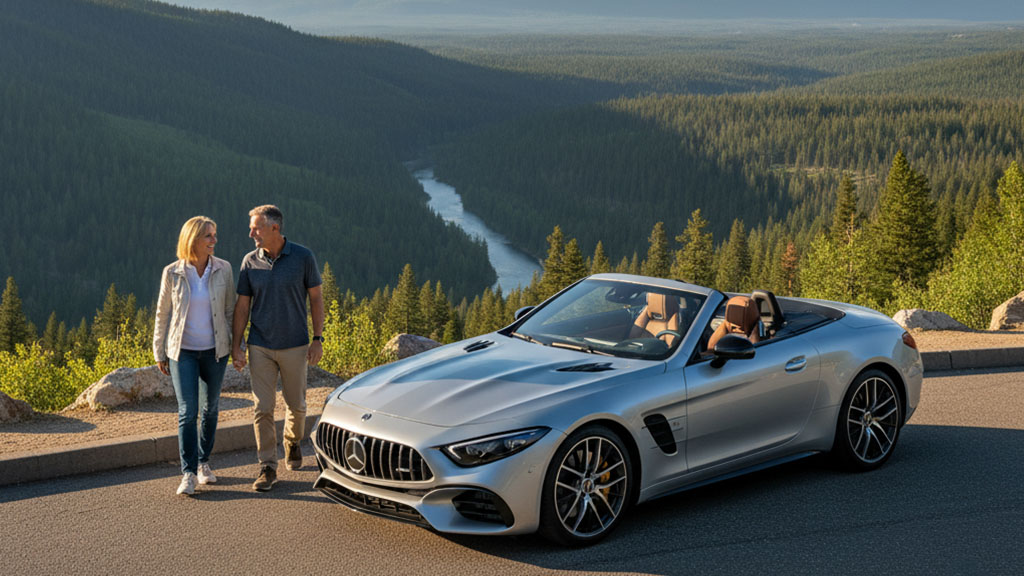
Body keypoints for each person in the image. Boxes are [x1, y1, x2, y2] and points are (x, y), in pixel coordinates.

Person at [232, 204, 324, 492]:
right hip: (260, 345)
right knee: (263, 408)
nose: (251, 233)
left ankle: (293, 441)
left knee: (296, 406)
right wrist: (237, 345)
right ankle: (267, 466)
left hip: (296, 345)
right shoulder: (249, 262)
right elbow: (242, 306)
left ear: (275, 228)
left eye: (256, 228)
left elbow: (316, 299)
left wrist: (317, 338)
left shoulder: (303, 257)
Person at [153, 216, 235, 496]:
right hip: (182, 351)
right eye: (208, 236)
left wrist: (237, 347)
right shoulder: (173, 272)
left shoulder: (223, 269)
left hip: (215, 352)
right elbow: (162, 313)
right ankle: (187, 472)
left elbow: (230, 312)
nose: (214, 240)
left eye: (214, 235)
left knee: (210, 409)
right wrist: (159, 350)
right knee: (187, 412)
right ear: (193, 239)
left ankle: (204, 464)